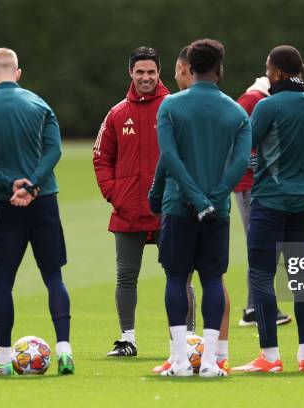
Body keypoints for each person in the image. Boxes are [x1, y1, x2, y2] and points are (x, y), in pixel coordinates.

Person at [0, 48, 74, 375]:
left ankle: (3, 360)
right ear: (18, 73)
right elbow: (54, 149)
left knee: (3, 282)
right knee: (54, 277)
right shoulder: (39, 104)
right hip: (43, 200)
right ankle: (64, 352)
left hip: (4, 203)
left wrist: (9, 184)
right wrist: (33, 186)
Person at [155, 38, 251, 377]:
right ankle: (210, 361)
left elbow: (169, 157)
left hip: (179, 208)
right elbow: (241, 162)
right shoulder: (237, 112)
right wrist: (214, 197)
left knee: (176, 277)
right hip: (218, 210)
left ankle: (180, 361)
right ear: (219, 69)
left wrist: (195, 198)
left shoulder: (170, 107)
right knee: (213, 278)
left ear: (189, 68)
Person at [233, 45, 304, 373]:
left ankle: (270, 356)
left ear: (275, 72)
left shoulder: (267, 106)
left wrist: (258, 166)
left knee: (261, 275)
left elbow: (246, 149)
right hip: (302, 204)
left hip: (268, 203)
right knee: (302, 279)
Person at [93, 47, 191, 358]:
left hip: (169, 210)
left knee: (179, 275)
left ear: (159, 73)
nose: (146, 77)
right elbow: (101, 158)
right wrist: (115, 194)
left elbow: (191, 154)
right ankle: (127, 339)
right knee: (126, 276)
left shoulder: (176, 108)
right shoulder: (117, 113)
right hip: (128, 211)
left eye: (151, 72)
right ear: (131, 74)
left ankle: (186, 341)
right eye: (140, 72)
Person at [234, 76, 292, 328]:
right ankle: (254, 308)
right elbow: (239, 144)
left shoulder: (262, 99)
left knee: (262, 245)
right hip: (250, 185)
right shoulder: (254, 100)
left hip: (256, 185)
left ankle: (253, 308)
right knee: (260, 245)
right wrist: (263, 167)